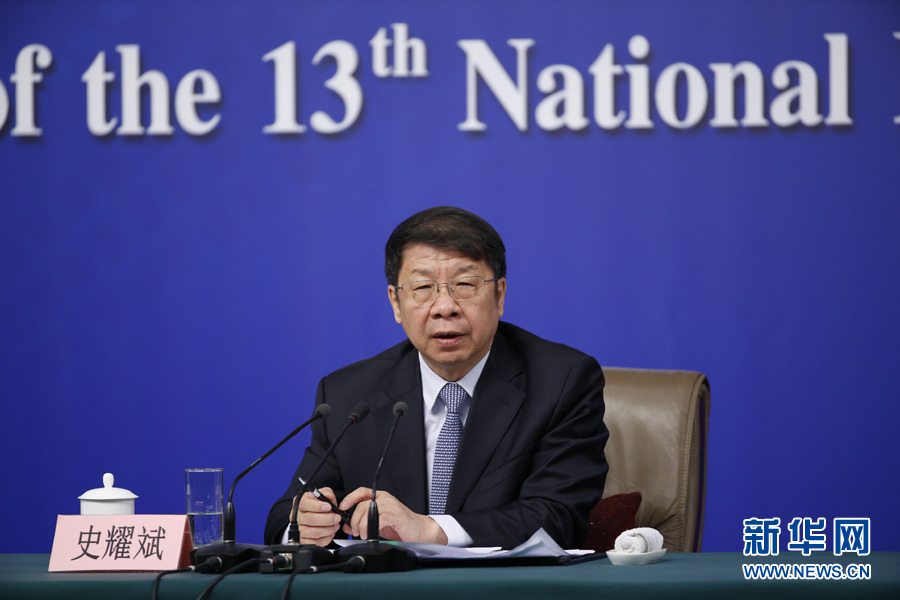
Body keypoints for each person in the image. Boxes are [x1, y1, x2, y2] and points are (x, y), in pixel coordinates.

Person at [264, 206, 608, 549]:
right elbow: (285, 515)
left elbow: (558, 517)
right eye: (423, 287)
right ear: (396, 302)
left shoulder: (561, 381)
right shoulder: (348, 396)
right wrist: (302, 525)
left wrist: (431, 531)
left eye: (465, 284)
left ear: (499, 295)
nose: (445, 307)